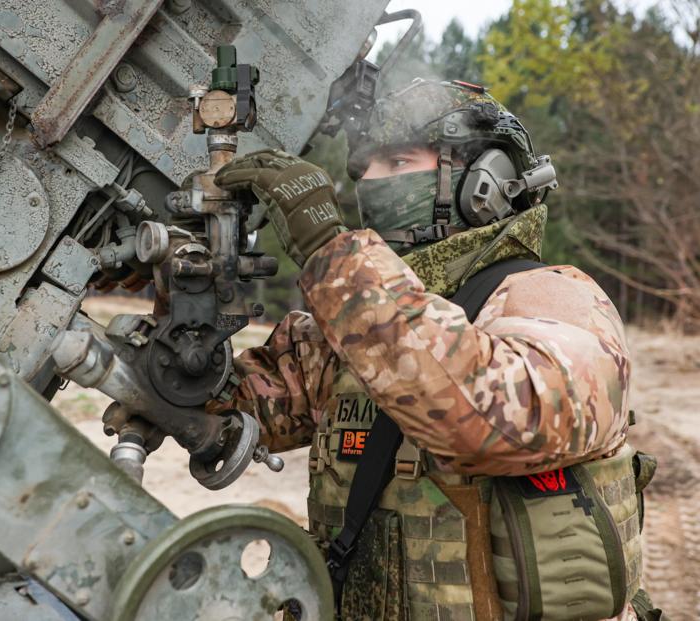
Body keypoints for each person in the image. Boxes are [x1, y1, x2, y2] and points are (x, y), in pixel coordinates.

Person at [211, 79, 662, 620]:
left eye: (397, 162)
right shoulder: (346, 330)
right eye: (363, 172)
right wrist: (185, 283)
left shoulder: (551, 298)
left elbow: (491, 419)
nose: (369, 187)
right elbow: (220, 408)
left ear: (483, 184)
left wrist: (330, 251)